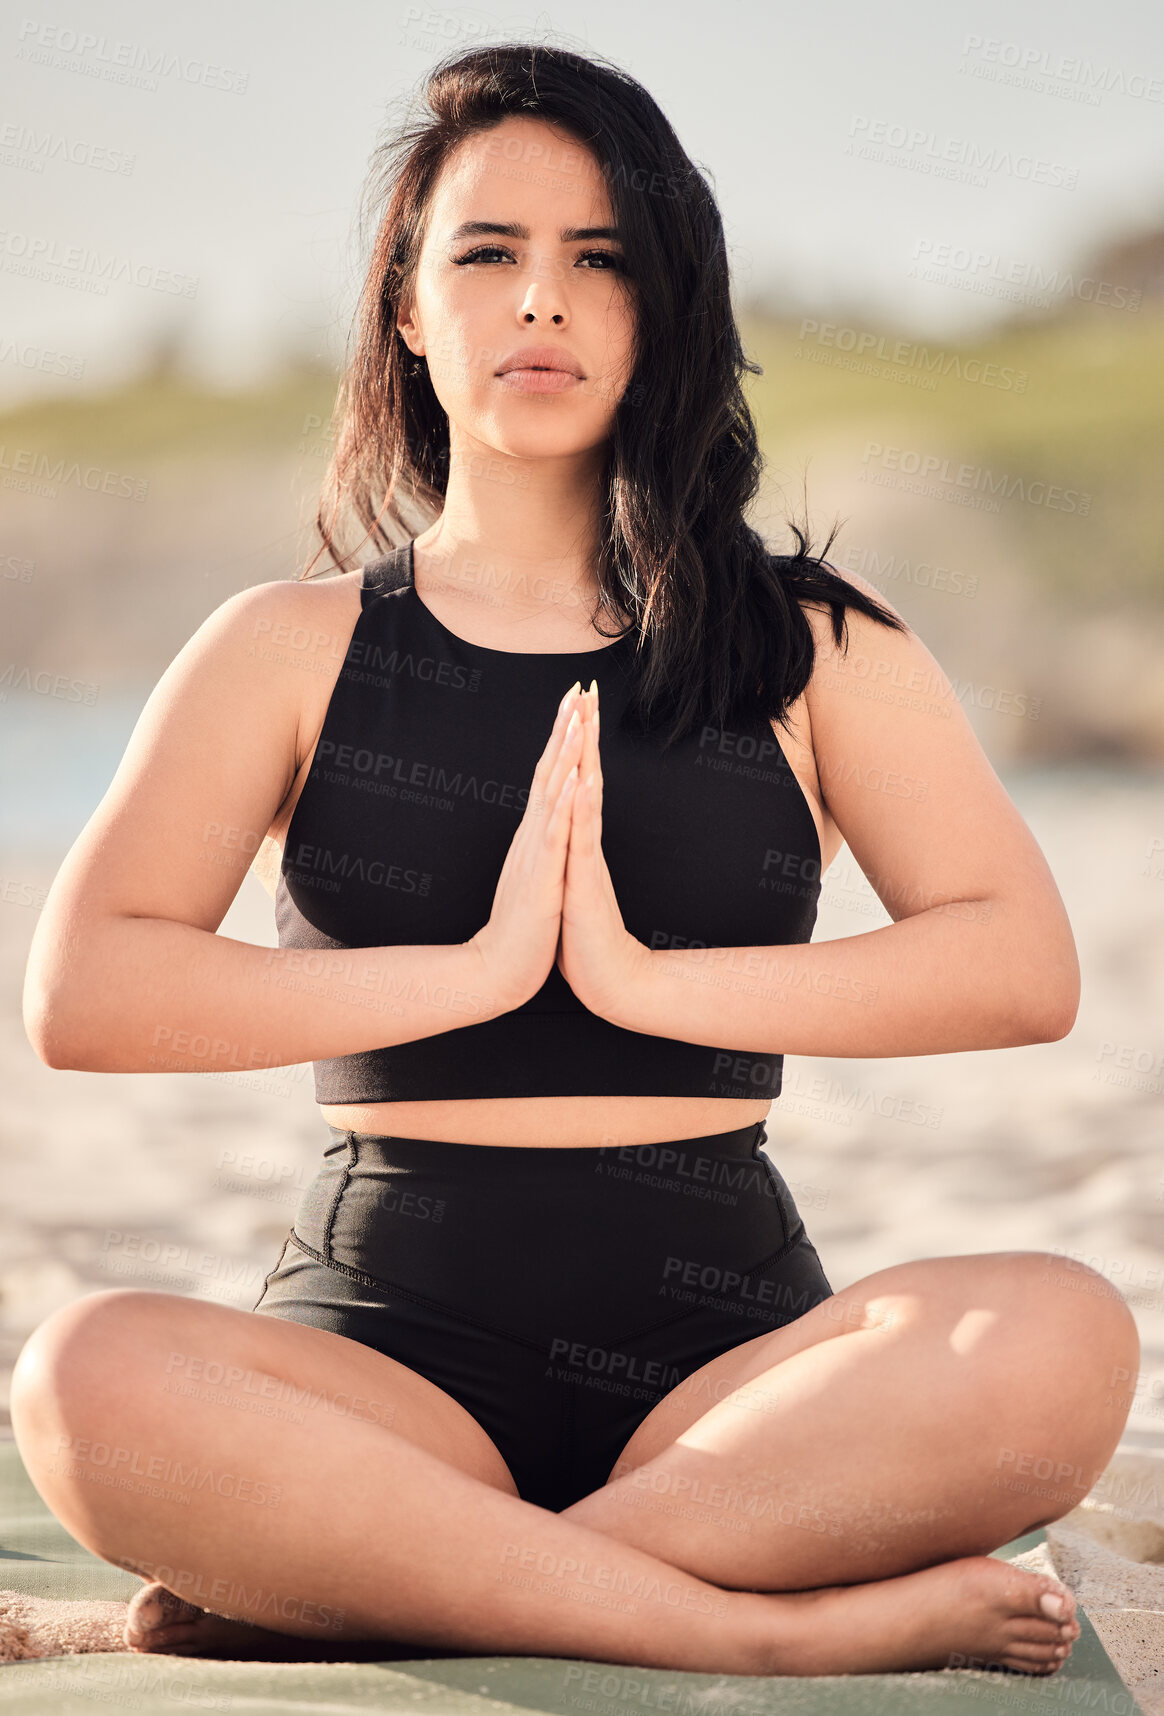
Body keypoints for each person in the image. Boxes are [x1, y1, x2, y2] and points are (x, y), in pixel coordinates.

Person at [11, 40, 1137, 1681]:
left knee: (1065, 1336)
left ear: (659, 306)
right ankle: (754, 1634)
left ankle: (402, 1581)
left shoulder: (809, 646)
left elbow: (1020, 964)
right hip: (381, 1354)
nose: (541, 302)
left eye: (598, 259)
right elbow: (86, 992)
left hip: (725, 1370)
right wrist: (472, 974)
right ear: (408, 308)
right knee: (80, 1377)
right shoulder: (285, 647)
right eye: (488, 255)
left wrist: (643, 980)